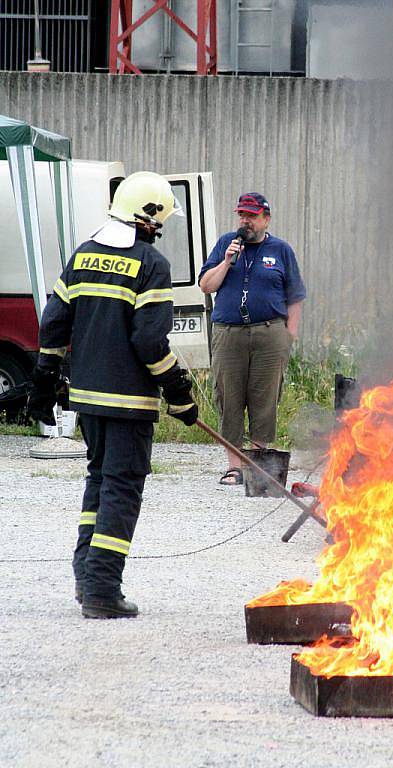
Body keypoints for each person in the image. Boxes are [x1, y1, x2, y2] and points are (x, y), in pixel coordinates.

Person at [27, 172, 198, 619]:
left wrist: (45, 377)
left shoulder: (83, 256)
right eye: (158, 222)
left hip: (87, 400)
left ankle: (87, 580)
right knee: (122, 489)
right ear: (148, 218)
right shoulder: (151, 264)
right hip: (129, 403)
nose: (158, 230)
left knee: (99, 482)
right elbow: (149, 343)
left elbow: (53, 323)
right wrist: (178, 389)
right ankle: (103, 590)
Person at [198, 193, 306, 485]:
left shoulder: (281, 250)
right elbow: (206, 286)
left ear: (265, 219)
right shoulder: (225, 244)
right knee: (229, 396)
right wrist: (226, 262)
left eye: (252, 216)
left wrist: (289, 335)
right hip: (229, 332)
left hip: (269, 333)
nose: (245, 221)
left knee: (265, 396)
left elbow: (295, 296)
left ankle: (258, 464)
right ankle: (235, 466)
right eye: (242, 215)